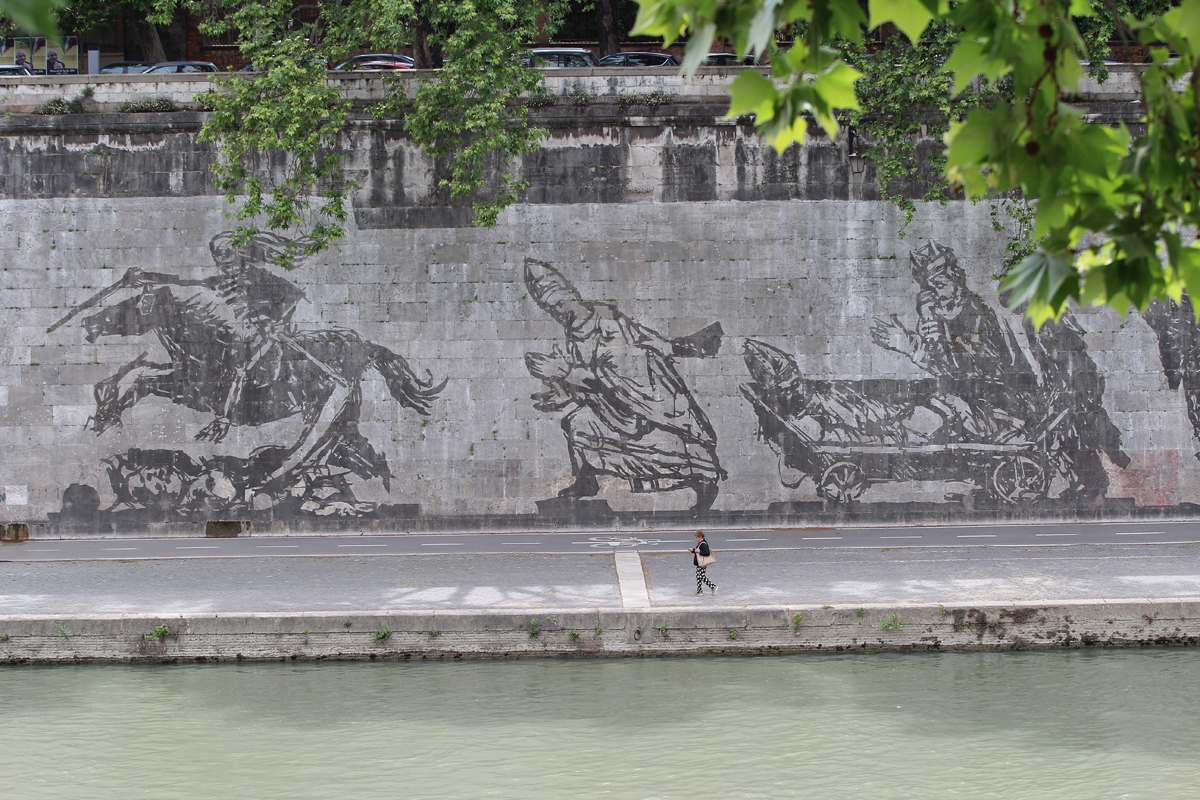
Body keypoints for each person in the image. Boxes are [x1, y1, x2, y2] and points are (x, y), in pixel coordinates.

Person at [689, 530, 717, 596]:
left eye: (697, 537)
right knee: (698, 576)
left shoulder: (703, 544)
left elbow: (707, 553)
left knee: (701, 576)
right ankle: (699, 591)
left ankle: (713, 587)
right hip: (699, 562)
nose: (696, 538)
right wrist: (693, 550)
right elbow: (698, 551)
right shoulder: (700, 543)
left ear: (701, 536)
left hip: (702, 563)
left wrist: (699, 551)